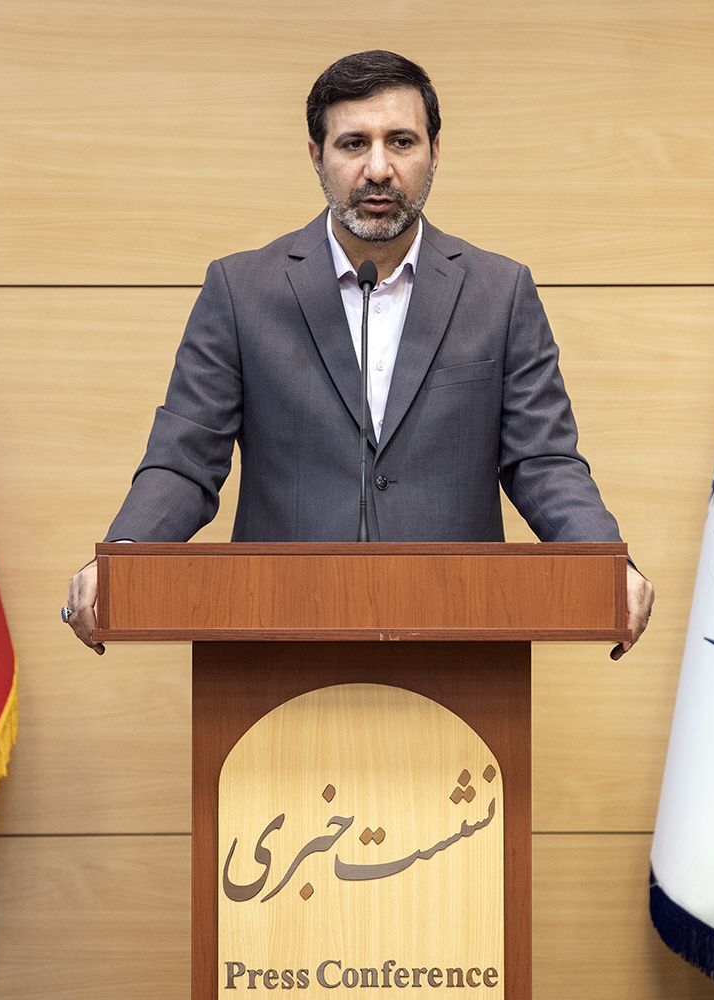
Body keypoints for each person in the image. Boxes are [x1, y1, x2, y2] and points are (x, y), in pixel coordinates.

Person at [65, 50, 654, 657]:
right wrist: (126, 554)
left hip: (456, 638)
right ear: (316, 155)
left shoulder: (498, 293)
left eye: (401, 141)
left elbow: (543, 461)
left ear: (434, 152)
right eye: (353, 144)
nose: (379, 169)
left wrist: (605, 562)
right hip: (278, 637)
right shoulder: (241, 291)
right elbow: (185, 458)